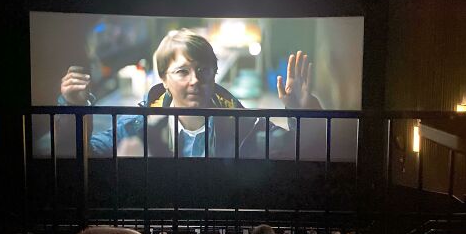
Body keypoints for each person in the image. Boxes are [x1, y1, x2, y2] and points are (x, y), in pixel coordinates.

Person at [58, 29, 321, 158]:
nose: (195, 80)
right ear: (163, 79)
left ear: (215, 72)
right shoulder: (136, 126)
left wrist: (304, 111)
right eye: (182, 72)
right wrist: (72, 107)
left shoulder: (246, 128)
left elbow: (301, 153)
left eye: (203, 70)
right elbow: (82, 155)